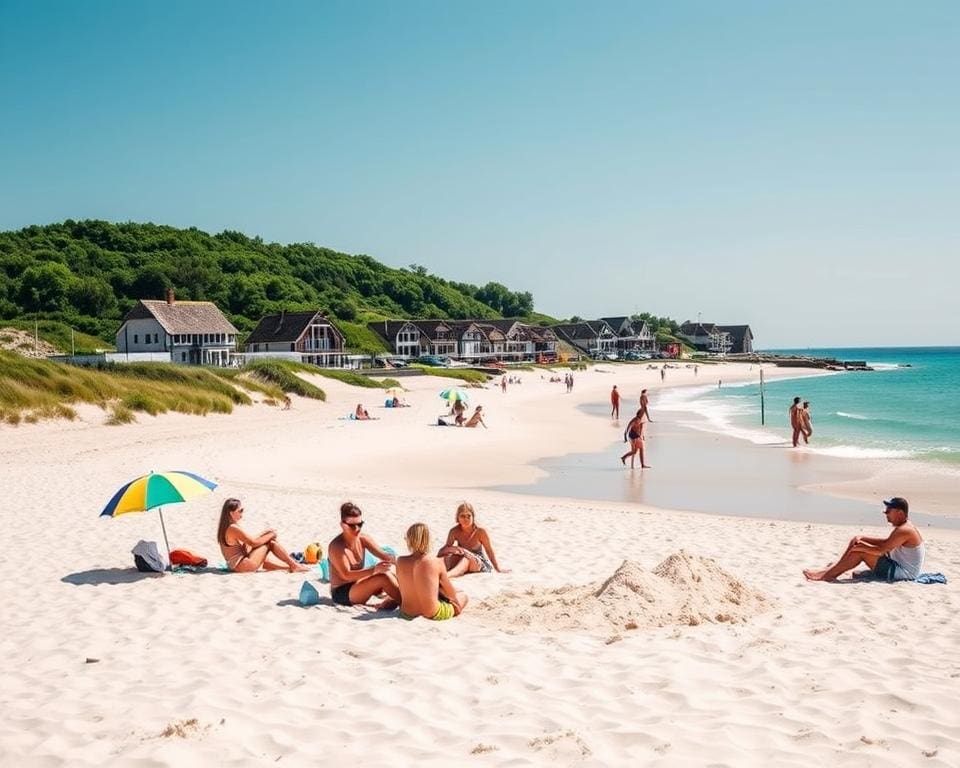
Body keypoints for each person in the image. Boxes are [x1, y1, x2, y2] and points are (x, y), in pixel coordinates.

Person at [804, 497, 924, 582]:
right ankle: (832, 570)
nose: (885, 514)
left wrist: (862, 547)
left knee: (860, 551)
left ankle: (826, 575)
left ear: (900, 513)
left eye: (888, 511)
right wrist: (862, 539)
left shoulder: (905, 530)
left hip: (903, 574)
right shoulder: (903, 527)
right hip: (896, 566)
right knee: (856, 541)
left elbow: (881, 550)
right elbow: (887, 542)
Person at [327, 501, 401, 608]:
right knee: (383, 577)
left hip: (358, 583)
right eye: (352, 526)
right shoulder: (337, 547)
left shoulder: (363, 538)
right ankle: (408, 604)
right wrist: (374, 570)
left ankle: (409, 597)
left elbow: (385, 556)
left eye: (360, 524)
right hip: (342, 591)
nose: (357, 529)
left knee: (390, 573)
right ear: (342, 525)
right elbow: (346, 575)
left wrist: (405, 564)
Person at [397, 523, 467, 621]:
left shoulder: (400, 561)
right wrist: (456, 605)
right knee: (463, 596)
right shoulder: (436, 562)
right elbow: (449, 591)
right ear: (427, 540)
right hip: (432, 614)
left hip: (407, 613)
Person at [217, 498, 309, 573]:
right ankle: (294, 565)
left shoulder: (226, 526)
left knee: (264, 541)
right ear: (231, 513)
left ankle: (289, 565)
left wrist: (264, 533)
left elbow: (248, 542)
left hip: (237, 564)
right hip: (243, 565)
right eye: (240, 511)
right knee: (270, 543)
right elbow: (253, 543)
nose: (242, 513)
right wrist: (271, 535)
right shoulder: (233, 528)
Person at [439, 501, 508, 577]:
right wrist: (452, 548)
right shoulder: (454, 531)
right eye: (462, 516)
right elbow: (442, 552)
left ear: (473, 517)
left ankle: (447, 575)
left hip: (479, 563)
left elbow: (489, 551)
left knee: (466, 559)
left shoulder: (480, 532)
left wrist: (498, 569)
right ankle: (435, 570)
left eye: (469, 516)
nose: (466, 519)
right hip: (462, 558)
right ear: (457, 518)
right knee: (449, 557)